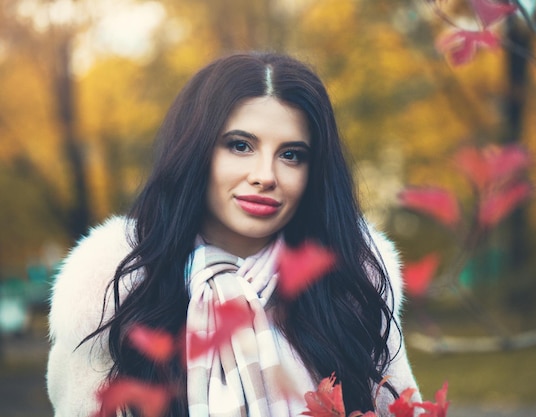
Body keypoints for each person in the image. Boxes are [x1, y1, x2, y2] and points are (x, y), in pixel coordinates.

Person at [46, 52, 420, 417]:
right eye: (240, 146)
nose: (265, 175)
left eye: (291, 155)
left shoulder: (351, 291)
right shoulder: (115, 299)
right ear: (195, 152)